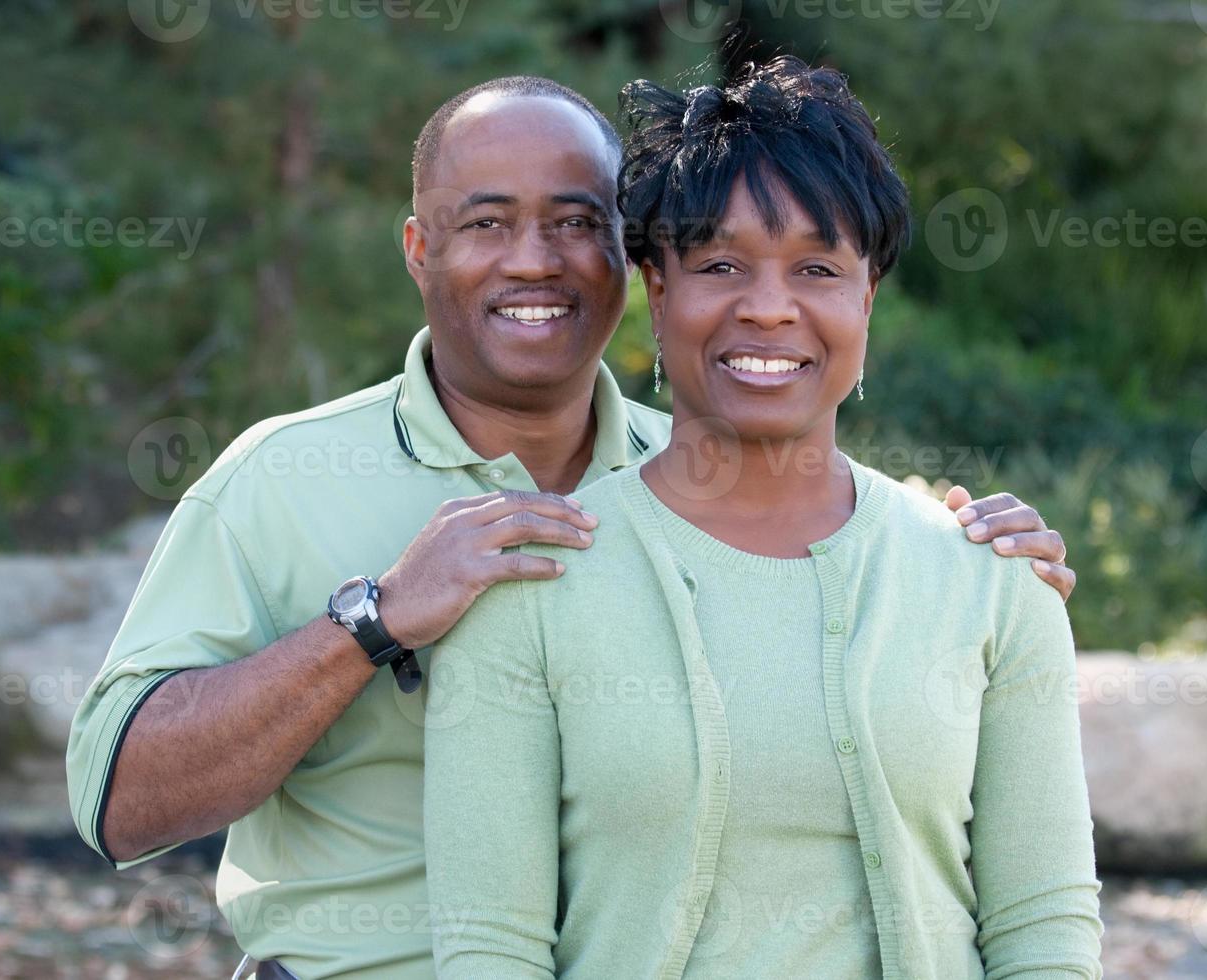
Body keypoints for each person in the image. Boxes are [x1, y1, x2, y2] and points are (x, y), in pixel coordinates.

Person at [67, 75, 1079, 980]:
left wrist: (970, 570)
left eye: (574, 221)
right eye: (487, 223)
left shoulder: (707, 464)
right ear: (420, 248)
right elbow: (116, 804)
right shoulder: (280, 479)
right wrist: (371, 624)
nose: (535, 262)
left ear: (629, 256)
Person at [422, 59, 1102, 979]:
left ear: (866, 299)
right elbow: (488, 949)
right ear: (657, 292)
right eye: (721, 265)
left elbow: (1045, 931)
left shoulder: (991, 583)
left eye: (818, 268)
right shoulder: (531, 581)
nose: (770, 307)